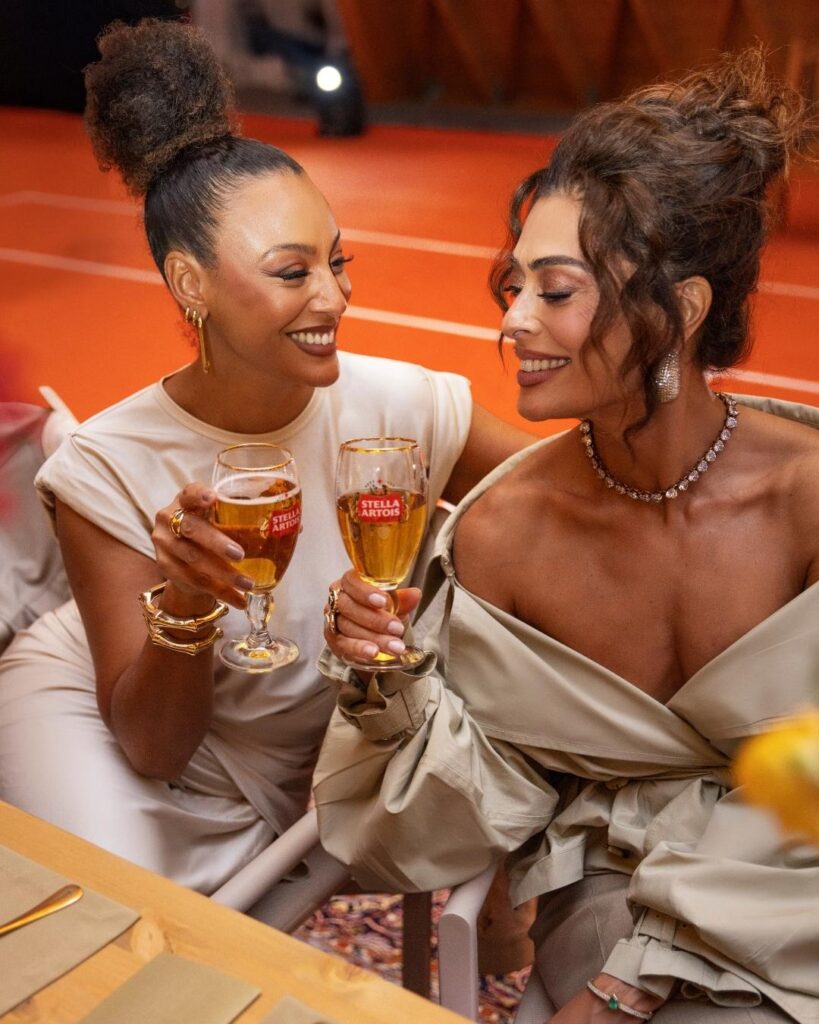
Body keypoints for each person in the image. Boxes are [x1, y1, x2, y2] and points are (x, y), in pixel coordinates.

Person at [314, 50, 819, 1023]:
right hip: (612, 877)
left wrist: (642, 971)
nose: (512, 321)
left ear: (680, 310)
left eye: (554, 291)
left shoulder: (804, 501)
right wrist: (389, 684)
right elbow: (456, 811)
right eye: (514, 286)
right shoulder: (505, 534)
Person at [0, 18, 533, 894]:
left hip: (306, 758)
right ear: (190, 284)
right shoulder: (106, 464)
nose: (335, 296)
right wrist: (186, 604)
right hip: (118, 735)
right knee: (120, 923)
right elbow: (152, 746)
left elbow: (572, 497)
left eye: (337, 261)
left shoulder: (401, 406)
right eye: (293, 273)